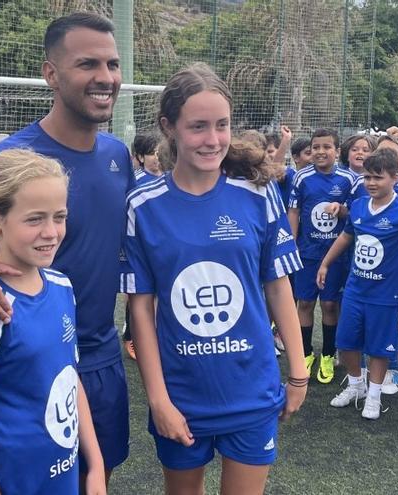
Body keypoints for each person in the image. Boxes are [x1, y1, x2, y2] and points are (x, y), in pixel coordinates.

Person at [0, 12, 132, 485]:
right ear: (51, 73)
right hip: (28, 363)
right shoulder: (7, 162)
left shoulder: (118, 156)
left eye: (112, 64)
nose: (105, 78)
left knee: (97, 476)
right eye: (87, 64)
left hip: (96, 360)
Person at [122, 63, 307, 495]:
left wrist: (297, 372)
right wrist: (158, 400)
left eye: (222, 125)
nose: (213, 139)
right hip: (181, 396)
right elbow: (141, 310)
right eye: (198, 126)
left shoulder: (258, 195)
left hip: (252, 392)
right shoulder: (143, 205)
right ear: (169, 128)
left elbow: (278, 287)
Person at [0, 149, 105, 495]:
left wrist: (95, 465)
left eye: (59, 217)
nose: (51, 232)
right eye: (34, 219)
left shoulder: (61, 287)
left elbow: (68, 378)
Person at [317, 148, 398, 420]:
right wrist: (325, 263)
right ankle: (356, 385)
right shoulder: (357, 206)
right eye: (367, 177)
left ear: (395, 178)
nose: (371, 182)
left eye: (378, 177)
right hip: (356, 289)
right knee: (346, 342)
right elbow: (346, 237)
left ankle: (374, 394)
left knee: (379, 347)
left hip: (386, 294)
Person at [287, 128, 357, 384]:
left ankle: (328, 354)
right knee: (304, 303)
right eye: (316, 147)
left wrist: (342, 211)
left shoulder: (349, 179)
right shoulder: (301, 177)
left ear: (337, 151)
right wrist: (291, 243)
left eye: (326, 147)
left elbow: (355, 213)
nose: (320, 152)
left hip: (336, 254)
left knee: (329, 305)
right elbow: (293, 212)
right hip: (307, 253)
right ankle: (306, 353)